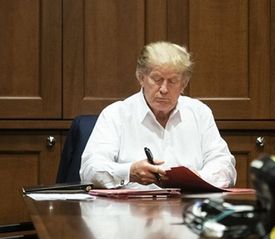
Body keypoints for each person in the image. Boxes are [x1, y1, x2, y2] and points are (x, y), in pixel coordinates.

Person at [79, 41, 237, 189]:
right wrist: (129, 172)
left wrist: (199, 178)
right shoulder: (116, 115)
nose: (164, 89)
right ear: (141, 77)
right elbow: (89, 170)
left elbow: (225, 165)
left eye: (173, 81)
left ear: (184, 83)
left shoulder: (199, 113)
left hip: (186, 209)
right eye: (157, 79)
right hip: (131, 213)